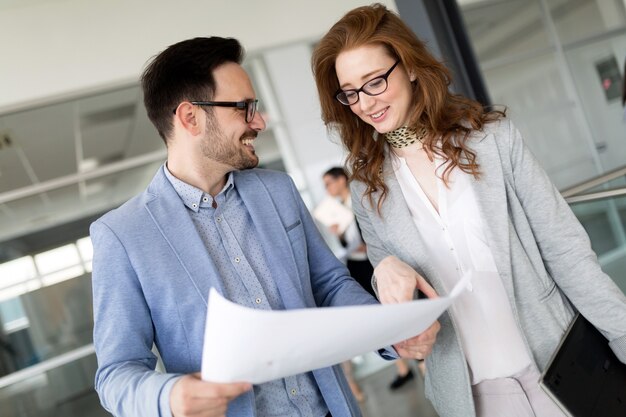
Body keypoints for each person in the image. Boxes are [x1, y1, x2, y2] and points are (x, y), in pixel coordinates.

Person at [90, 36, 440, 417]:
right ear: (190, 117)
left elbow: (328, 285)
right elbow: (115, 374)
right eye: (244, 108)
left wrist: (388, 330)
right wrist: (168, 396)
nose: (259, 121)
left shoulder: (278, 190)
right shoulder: (122, 235)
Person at [311, 4, 626, 417]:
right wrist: (382, 270)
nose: (365, 104)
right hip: (473, 397)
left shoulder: (493, 140)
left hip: (559, 365)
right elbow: (400, 304)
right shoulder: (367, 187)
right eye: (350, 92)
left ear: (407, 66)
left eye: (374, 82)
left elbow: (568, 253)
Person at [323, 167, 415, 391]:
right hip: (356, 265)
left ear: (342, 180)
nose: (327, 189)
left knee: (392, 305)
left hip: (375, 262)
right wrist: (340, 235)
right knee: (376, 312)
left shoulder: (360, 200)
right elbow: (348, 244)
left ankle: (418, 359)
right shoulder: (335, 211)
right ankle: (401, 366)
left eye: (329, 183)